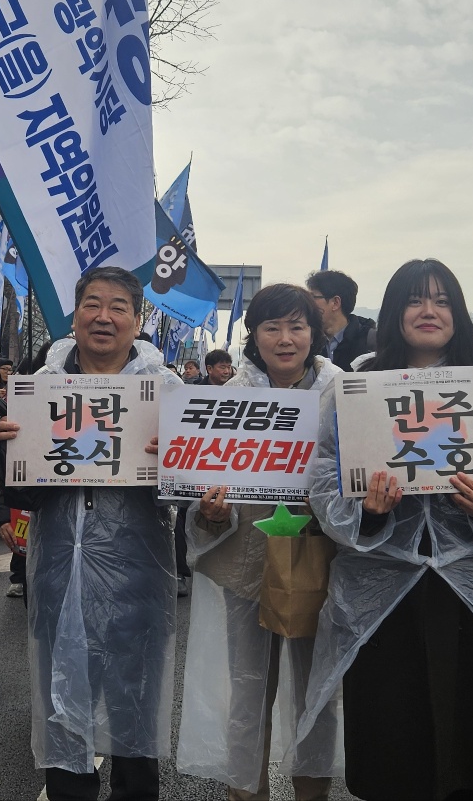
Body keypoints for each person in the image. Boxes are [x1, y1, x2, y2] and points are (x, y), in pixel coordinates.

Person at [298, 258, 473, 800]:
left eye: (442, 301)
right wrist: (371, 512)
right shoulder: (357, 391)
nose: (429, 311)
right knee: (395, 740)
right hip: (385, 596)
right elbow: (325, 477)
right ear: (394, 313)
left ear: (458, 314)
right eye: (415, 300)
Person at [0, 267, 184, 801]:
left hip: (138, 573)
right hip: (58, 568)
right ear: (76, 315)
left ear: (137, 321)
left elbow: (185, 494)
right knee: (63, 700)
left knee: (135, 704)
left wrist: (174, 463)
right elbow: (21, 486)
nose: (104, 317)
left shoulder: (165, 391)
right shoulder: (41, 385)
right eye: (92, 304)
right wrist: (8, 449)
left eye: (118, 307)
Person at [178, 284, 342, 801]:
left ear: (314, 333)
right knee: (248, 690)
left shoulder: (344, 394)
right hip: (247, 562)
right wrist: (210, 511)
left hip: (321, 560)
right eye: (272, 327)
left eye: (297, 326)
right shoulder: (225, 399)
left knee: (318, 692)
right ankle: (245, 793)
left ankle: (312, 791)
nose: (285, 339)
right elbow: (201, 485)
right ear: (254, 335)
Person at [306, 270, 376, 372]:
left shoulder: (372, 344)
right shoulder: (308, 342)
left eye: (312, 297)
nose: (307, 303)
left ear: (335, 303)